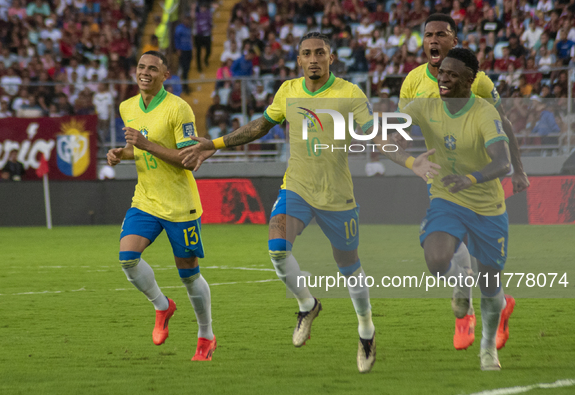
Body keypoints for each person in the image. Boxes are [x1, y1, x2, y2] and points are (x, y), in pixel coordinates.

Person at [179, 32, 438, 373]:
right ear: (298, 60)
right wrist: (215, 143)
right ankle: (307, 304)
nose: (313, 58)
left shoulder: (349, 94)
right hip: (296, 189)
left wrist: (410, 162)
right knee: (276, 248)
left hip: (337, 196)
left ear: (331, 58)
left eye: (320, 52)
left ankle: (366, 331)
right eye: (306, 53)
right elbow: (261, 125)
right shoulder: (288, 91)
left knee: (349, 268)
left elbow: (376, 135)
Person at [397, 14, 527, 351]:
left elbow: (504, 125)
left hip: (479, 182)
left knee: (474, 258)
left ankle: (481, 308)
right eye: (428, 35)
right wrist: (410, 159)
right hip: (440, 179)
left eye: (441, 34)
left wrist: (519, 168)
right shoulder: (412, 81)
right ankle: (467, 309)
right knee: (444, 250)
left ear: (454, 40)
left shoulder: (477, 82)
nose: (434, 40)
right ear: (423, 42)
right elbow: (398, 128)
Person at [106, 51, 216, 361]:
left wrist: (144, 145)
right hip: (146, 200)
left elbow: (188, 159)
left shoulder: (178, 109)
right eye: (141, 67)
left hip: (180, 206)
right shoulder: (127, 106)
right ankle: (162, 305)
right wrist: (121, 153)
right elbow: (136, 149)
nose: (145, 72)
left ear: (165, 75)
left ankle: (206, 335)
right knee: (128, 257)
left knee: (189, 275)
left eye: (153, 69)